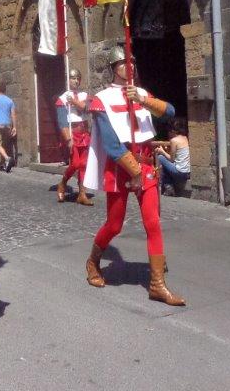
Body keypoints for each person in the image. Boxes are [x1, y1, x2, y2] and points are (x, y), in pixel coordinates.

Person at [83, 46, 186, 306]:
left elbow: (170, 112)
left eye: (131, 62)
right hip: (121, 168)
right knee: (114, 225)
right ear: (113, 68)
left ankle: (157, 285)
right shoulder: (101, 100)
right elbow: (111, 144)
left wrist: (143, 100)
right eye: (122, 63)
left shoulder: (141, 93)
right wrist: (136, 172)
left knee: (153, 223)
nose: (128, 66)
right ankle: (93, 261)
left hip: (147, 166)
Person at [54, 68, 93, 206]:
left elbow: (88, 109)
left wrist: (75, 102)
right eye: (73, 78)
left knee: (84, 164)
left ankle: (82, 193)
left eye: (78, 78)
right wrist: (68, 139)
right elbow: (62, 121)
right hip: (72, 133)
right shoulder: (62, 98)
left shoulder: (84, 95)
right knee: (75, 163)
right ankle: (63, 183)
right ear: (68, 80)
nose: (76, 81)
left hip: (84, 133)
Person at [154, 117, 191, 196]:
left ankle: (166, 185)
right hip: (187, 172)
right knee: (166, 167)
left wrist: (162, 151)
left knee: (160, 158)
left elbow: (171, 159)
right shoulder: (185, 137)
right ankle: (168, 186)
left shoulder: (174, 140)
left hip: (179, 172)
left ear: (172, 131)